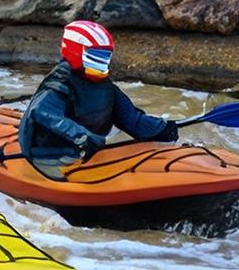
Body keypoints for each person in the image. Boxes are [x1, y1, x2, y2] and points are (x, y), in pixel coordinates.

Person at [19, 21, 179, 163]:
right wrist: (81, 137)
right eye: (96, 56)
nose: (101, 62)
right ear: (75, 52)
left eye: (105, 57)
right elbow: (41, 112)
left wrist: (159, 128)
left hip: (84, 151)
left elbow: (130, 118)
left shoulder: (104, 85)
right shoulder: (60, 82)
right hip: (50, 154)